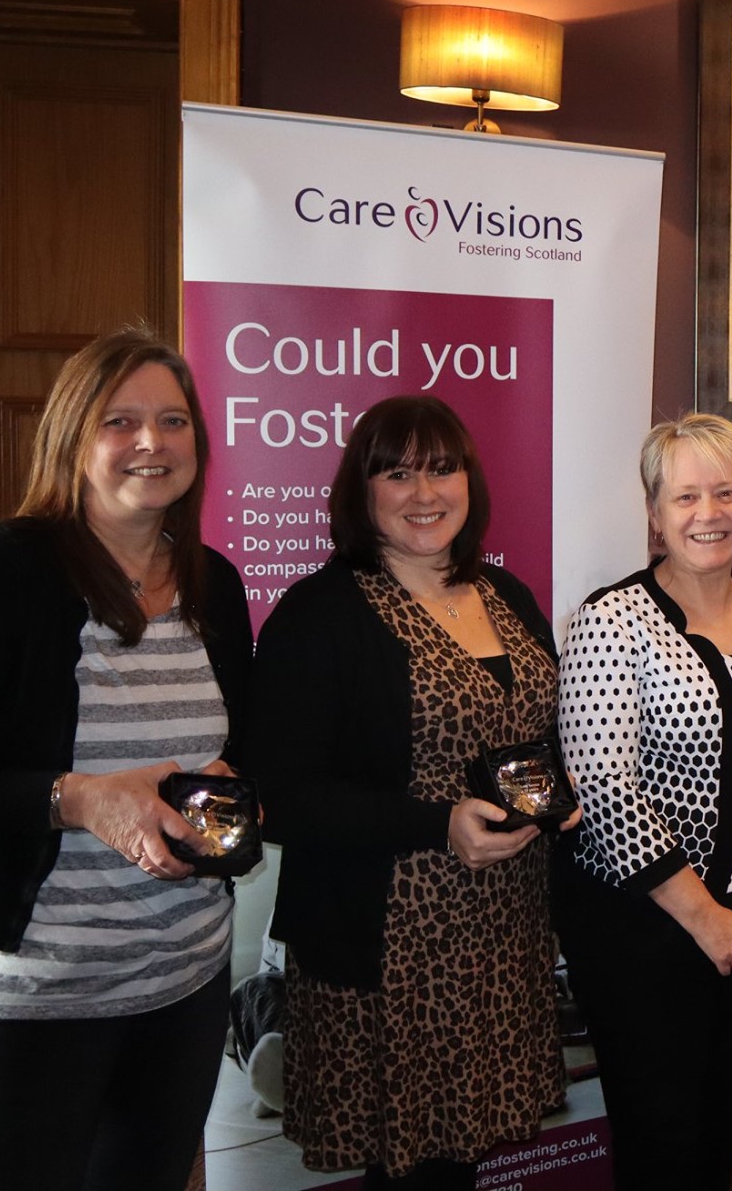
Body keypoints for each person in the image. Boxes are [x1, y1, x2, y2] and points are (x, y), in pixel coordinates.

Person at [0, 326, 252, 1191]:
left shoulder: (214, 582)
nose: (152, 442)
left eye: (174, 420)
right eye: (121, 420)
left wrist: (227, 793)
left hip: (181, 987)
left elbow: (235, 752)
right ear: (74, 438)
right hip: (28, 999)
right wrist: (77, 799)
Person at [247, 395, 577, 1191]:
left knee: (462, 1164)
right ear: (361, 492)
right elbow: (281, 795)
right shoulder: (320, 613)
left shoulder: (508, 597)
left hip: (504, 934)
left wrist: (562, 794)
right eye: (397, 472)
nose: (425, 492)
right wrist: (437, 824)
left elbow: (535, 740)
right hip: (389, 951)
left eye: (442, 468)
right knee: (409, 1173)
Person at [553, 413, 732, 1190]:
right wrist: (706, 917)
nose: (707, 512)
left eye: (726, 491)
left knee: (720, 1128)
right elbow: (605, 790)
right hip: (644, 931)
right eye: (684, 496)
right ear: (654, 512)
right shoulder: (609, 621)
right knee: (662, 1144)